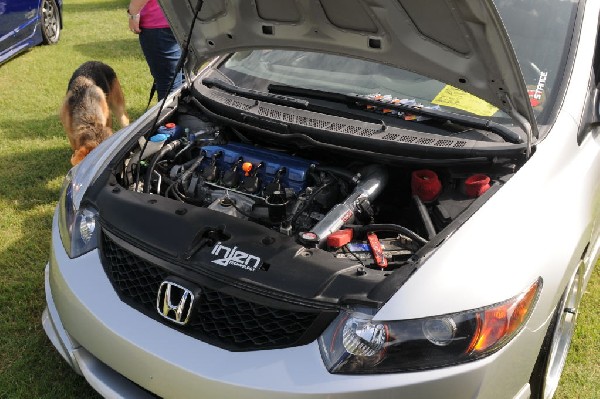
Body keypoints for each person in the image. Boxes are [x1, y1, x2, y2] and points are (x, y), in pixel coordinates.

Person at [127, 0, 183, 101]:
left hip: (159, 24)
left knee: (170, 85)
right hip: (183, 20)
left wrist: (133, 14)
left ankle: (172, 116)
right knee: (183, 79)